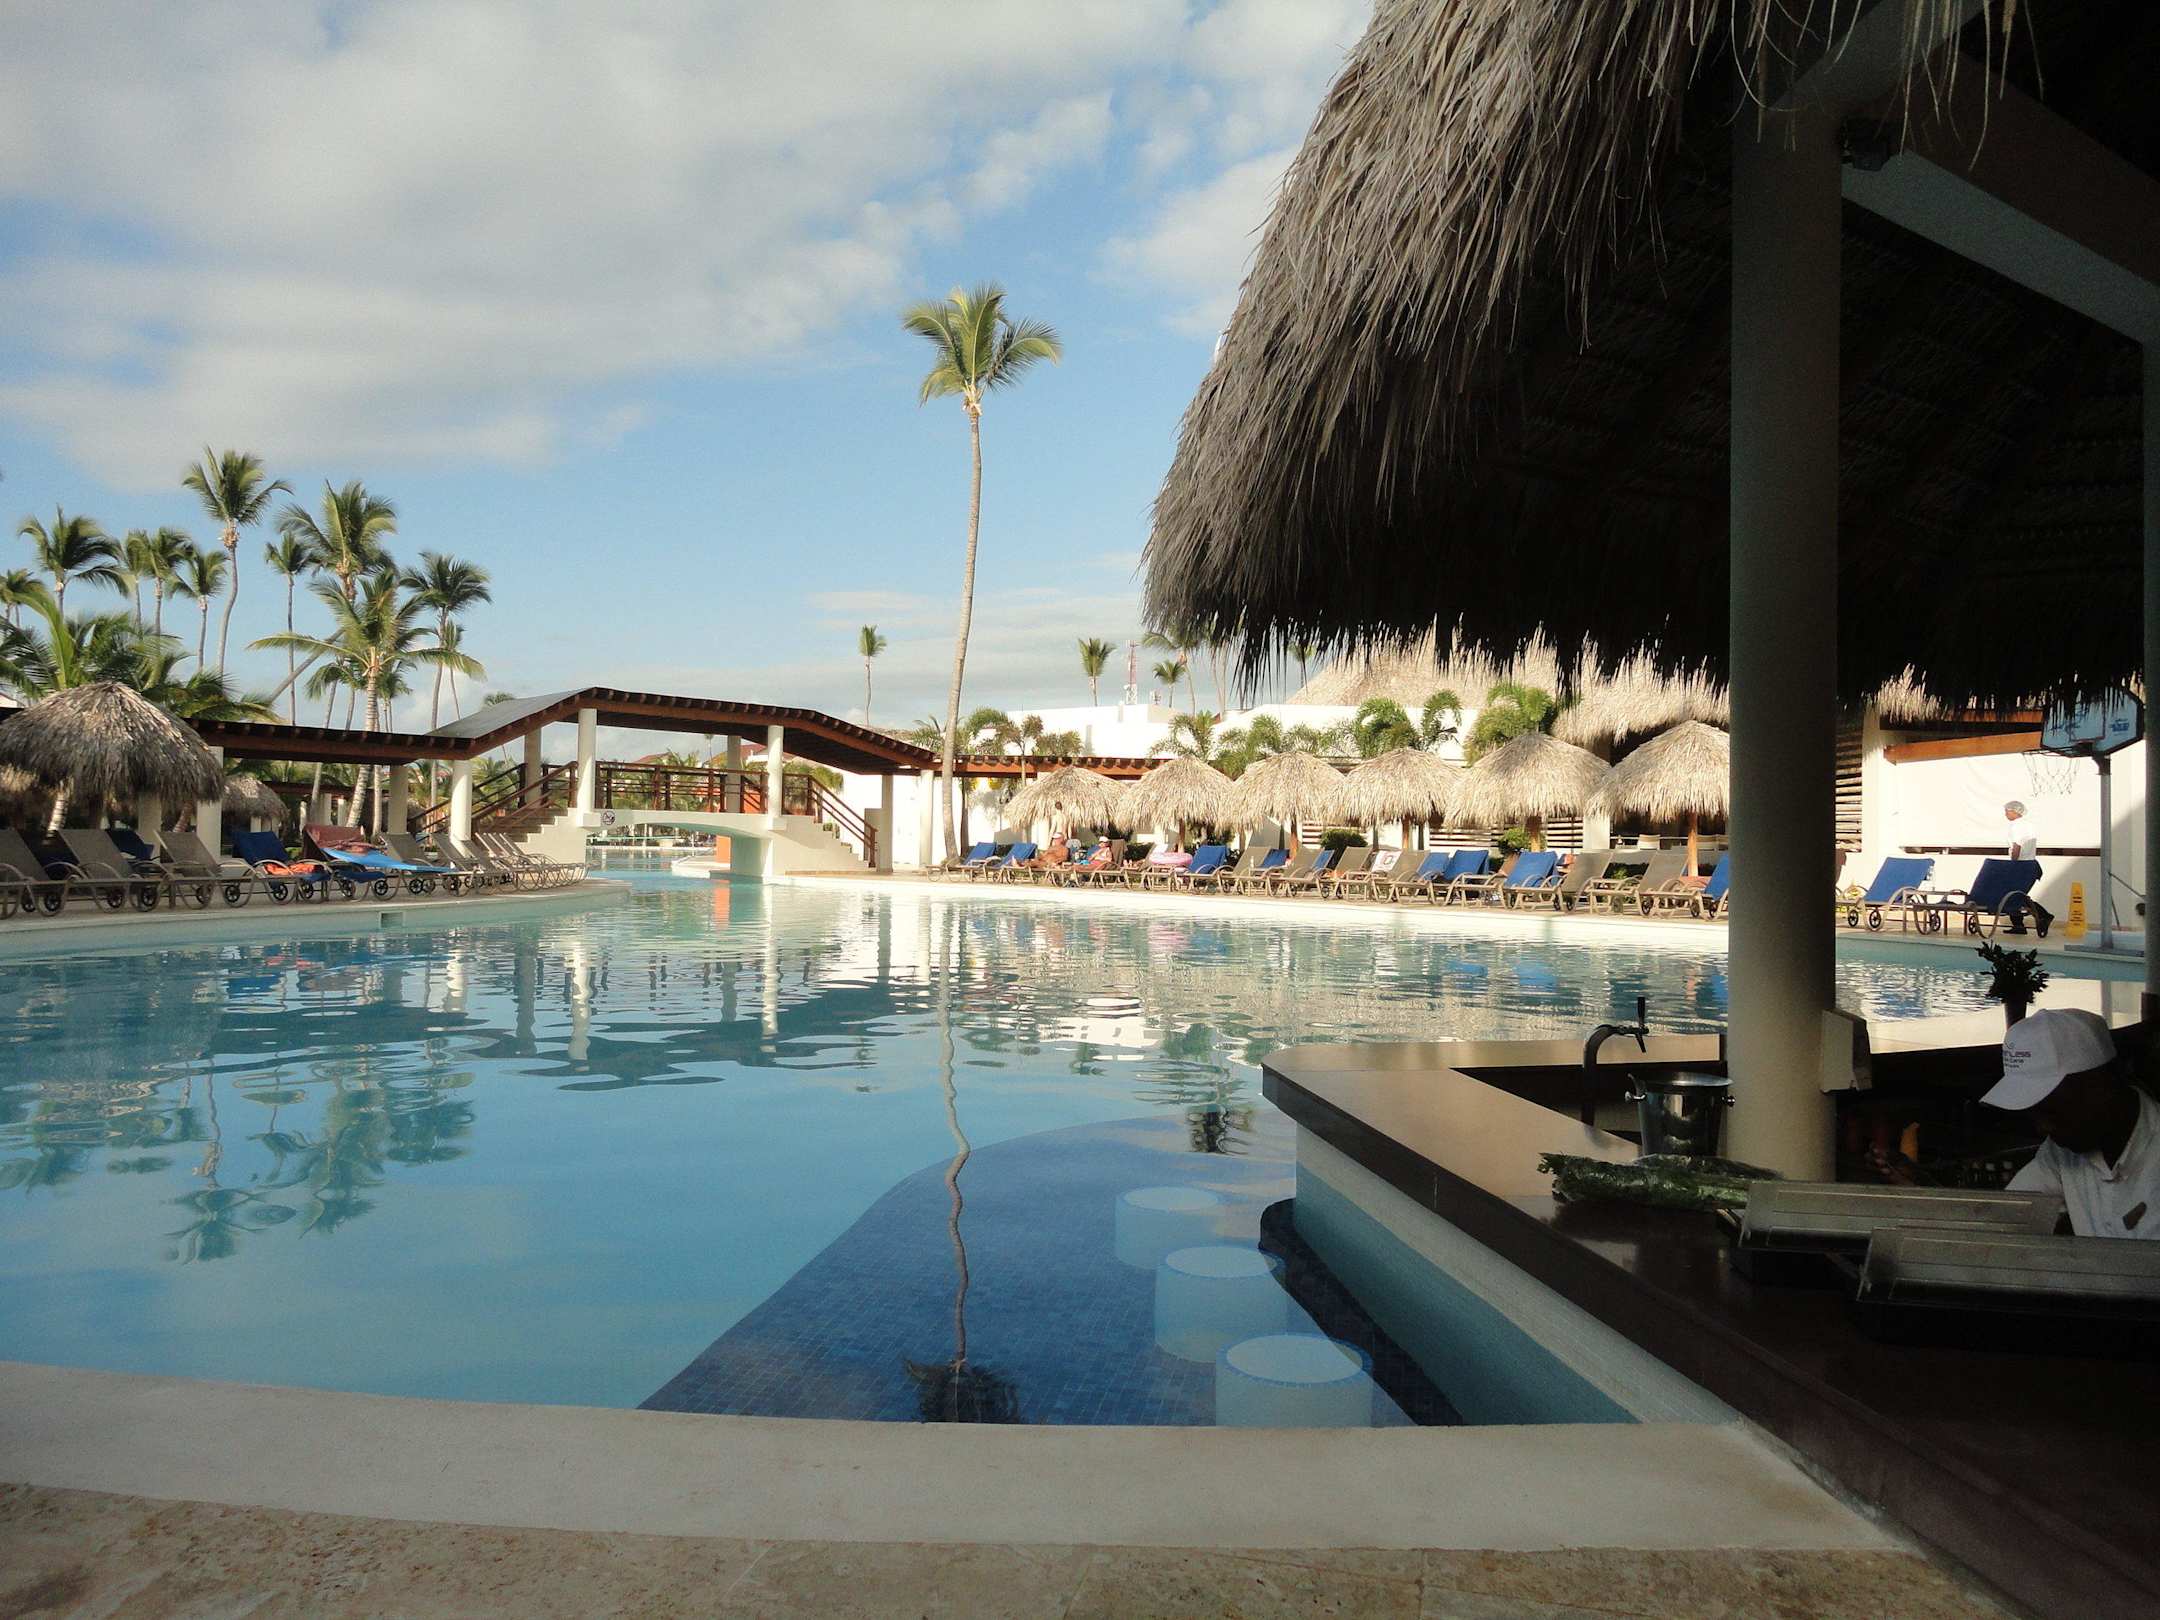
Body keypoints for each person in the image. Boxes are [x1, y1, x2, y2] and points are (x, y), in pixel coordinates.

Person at [1985, 1009, 2157, 1238]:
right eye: (2033, 1113)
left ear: (2101, 1084)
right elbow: (2005, 1216)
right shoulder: (2061, 1153)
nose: (2042, 1127)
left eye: (2052, 1111)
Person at [1999, 800, 2052, 937]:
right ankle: (2018, 924)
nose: (2005, 814)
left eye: (2007, 811)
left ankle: (2043, 915)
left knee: (2014, 894)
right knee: (2016, 895)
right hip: (2030, 864)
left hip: (2021, 865)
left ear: (2015, 811)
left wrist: (2013, 864)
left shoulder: (2017, 826)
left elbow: (2017, 846)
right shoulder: (2028, 825)